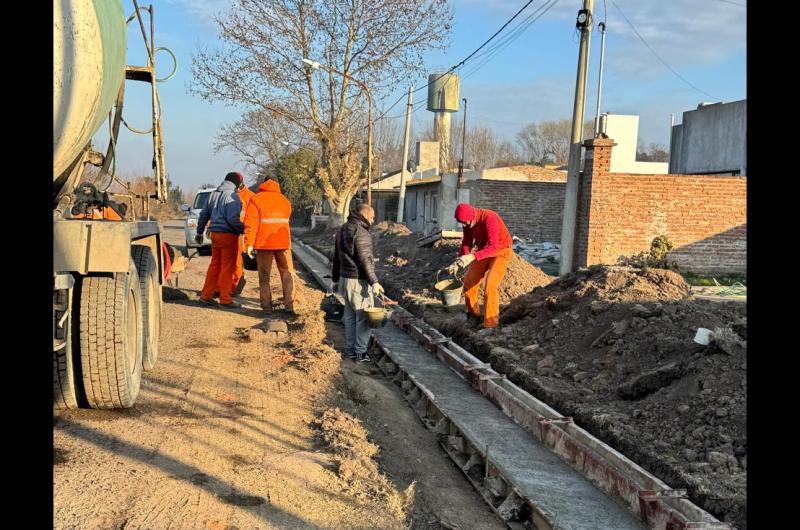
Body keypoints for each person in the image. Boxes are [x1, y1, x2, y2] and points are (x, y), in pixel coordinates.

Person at [331, 203, 385, 362]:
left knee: (349, 316)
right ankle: (361, 353)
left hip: (345, 280)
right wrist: (374, 282)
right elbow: (365, 260)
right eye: (373, 217)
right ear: (366, 215)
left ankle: (350, 350)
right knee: (363, 318)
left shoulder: (342, 229)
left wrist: (335, 279)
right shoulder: (361, 233)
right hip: (358, 282)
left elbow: (336, 257)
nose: (373, 221)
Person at [447, 203, 513, 328]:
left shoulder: (489, 218)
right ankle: (473, 315)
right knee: (468, 281)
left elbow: (494, 247)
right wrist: (459, 260)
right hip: (483, 250)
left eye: (465, 222)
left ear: (472, 217)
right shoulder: (467, 222)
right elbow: (466, 242)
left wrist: (472, 256)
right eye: (461, 222)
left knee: (490, 286)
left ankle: (491, 324)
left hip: (501, 251)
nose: (463, 225)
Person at [243, 178, 295, 314]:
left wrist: (249, 244)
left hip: (264, 244)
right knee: (287, 274)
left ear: (263, 184)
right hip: (283, 244)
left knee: (264, 276)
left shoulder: (256, 199)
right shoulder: (284, 200)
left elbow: (251, 224)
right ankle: (289, 305)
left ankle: (267, 307)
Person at [196, 172, 246, 308]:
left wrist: (199, 232)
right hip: (228, 236)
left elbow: (204, 214)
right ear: (237, 183)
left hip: (215, 235)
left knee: (215, 265)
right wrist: (243, 229)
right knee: (227, 268)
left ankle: (205, 296)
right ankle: (225, 299)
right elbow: (232, 219)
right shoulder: (232, 197)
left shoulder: (213, 194)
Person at [230, 176, 255, 296]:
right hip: (233, 231)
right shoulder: (231, 195)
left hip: (242, 233)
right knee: (230, 261)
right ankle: (229, 285)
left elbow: (253, 218)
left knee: (238, 261)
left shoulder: (251, 196)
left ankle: (235, 284)